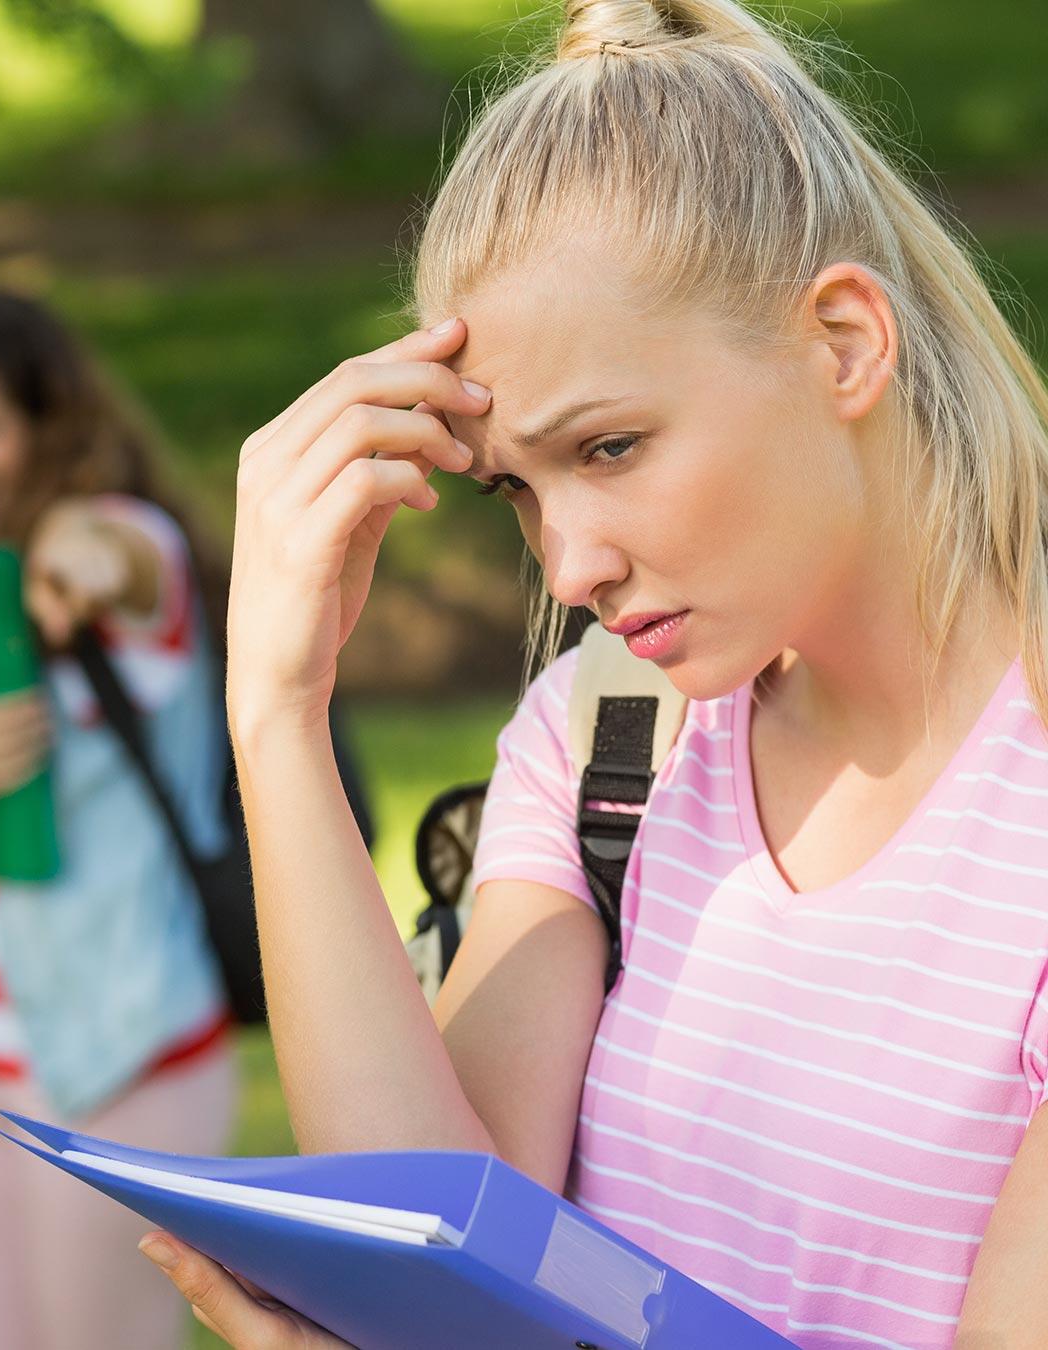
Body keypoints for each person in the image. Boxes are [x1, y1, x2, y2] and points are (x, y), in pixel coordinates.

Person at [138, 1, 1048, 1346]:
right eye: (515, 487)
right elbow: (446, 1239)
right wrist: (276, 713)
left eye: (610, 447)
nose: (567, 566)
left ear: (845, 342)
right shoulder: (612, 730)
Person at [0, 286, 238, 1350]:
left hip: (126, 1062)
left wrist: (75, 553)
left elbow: (118, 554)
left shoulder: (128, 548)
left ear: (42, 427)